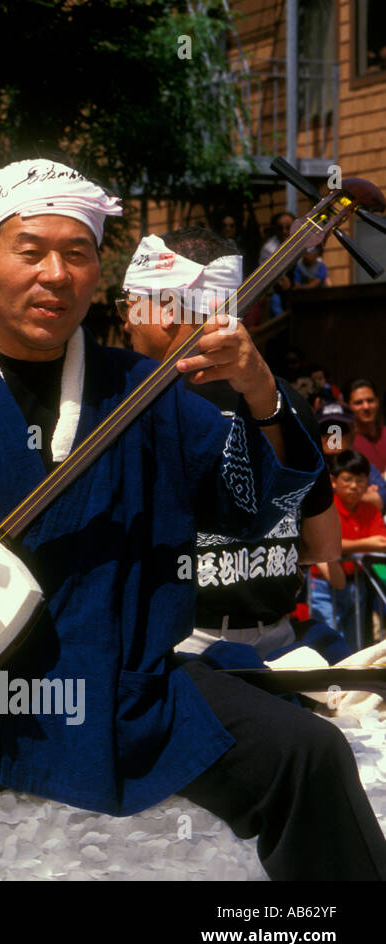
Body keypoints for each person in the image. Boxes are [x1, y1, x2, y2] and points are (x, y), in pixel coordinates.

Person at [0, 158, 386, 880]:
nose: (56, 273)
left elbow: (256, 504)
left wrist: (260, 389)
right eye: (32, 250)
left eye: (77, 255)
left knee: (307, 755)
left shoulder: (146, 390)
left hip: (127, 685)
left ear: (97, 276)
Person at [118, 226, 344, 664]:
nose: (126, 321)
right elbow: (324, 544)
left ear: (163, 309)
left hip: (181, 652)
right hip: (277, 643)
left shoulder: (134, 404)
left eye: (130, 304)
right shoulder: (286, 400)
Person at [308, 450, 386, 650]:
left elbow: (382, 542)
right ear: (333, 481)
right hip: (324, 585)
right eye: (348, 479)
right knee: (327, 638)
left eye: (360, 480)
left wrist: (349, 546)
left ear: (368, 482)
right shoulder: (325, 507)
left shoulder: (371, 510)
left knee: (354, 643)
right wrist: (366, 543)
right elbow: (325, 543)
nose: (354, 485)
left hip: (358, 584)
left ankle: (349, 681)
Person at [318, 400, 384, 508]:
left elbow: (381, 499)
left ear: (353, 433)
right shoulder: (309, 467)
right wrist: (360, 493)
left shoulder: (359, 463)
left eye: (340, 429)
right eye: (326, 429)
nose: (333, 436)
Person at [348, 378, 386, 474]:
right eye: (358, 403)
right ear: (348, 406)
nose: (366, 407)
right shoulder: (346, 442)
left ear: (377, 402)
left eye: (370, 401)